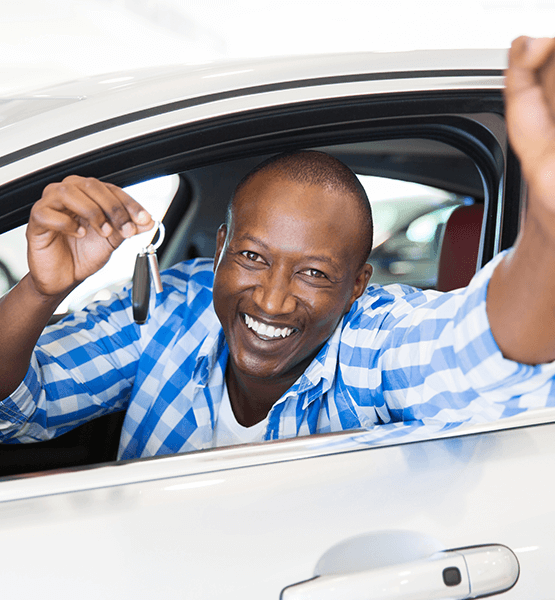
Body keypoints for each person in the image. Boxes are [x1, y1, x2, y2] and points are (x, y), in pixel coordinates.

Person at [1, 36, 555, 459]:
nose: (271, 300)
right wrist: (40, 290)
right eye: (252, 257)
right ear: (220, 246)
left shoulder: (371, 345)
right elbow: (20, 409)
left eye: (314, 273)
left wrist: (549, 222)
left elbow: (474, 358)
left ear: (357, 286)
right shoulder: (170, 306)